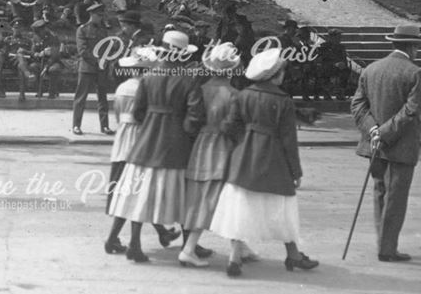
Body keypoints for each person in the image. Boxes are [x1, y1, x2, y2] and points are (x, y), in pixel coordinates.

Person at [210, 47, 318, 277]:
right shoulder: (284, 101)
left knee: (241, 206)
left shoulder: (243, 95)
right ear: (275, 75)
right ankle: (293, 254)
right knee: (281, 207)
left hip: (244, 156)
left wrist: (244, 140)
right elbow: (289, 140)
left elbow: (229, 126)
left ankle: (234, 258)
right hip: (274, 158)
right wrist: (296, 171)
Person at [107, 31, 204, 263]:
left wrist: (152, 122)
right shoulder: (188, 80)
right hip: (175, 144)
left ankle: (135, 243)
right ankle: (189, 245)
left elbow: (138, 112)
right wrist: (186, 133)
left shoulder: (149, 77)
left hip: (145, 143)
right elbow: (195, 116)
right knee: (181, 194)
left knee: (139, 195)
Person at [350, 23, 421, 263]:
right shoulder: (415, 73)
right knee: (396, 196)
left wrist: (373, 130)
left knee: (380, 192)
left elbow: (357, 106)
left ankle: (384, 244)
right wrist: (384, 132)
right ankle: (387, 248)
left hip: (374, 144)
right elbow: (411, 111)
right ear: (413, 47)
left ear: (393, 43)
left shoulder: (371, 69)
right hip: (399, 145)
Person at [180, 43, 256, 267]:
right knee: (226, 199)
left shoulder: (200, 90)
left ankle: (239, 247)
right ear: (232, 69)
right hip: (224, 148)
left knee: (202, 197)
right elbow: (234, 127)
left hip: (202, 146)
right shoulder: (234, 94)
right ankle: (190, 248)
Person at [103, 47, 182, 257]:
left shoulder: (122, 88)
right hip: (140, 139)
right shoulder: (146, 88)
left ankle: (153, 233)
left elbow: (119, 115)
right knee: (139, 192)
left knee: (128, 193)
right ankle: (128, 239)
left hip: (122, 139)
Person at [72, 3, 113, 135]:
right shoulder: (82, 29)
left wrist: (106, 59)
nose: (100, 18)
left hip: (101, 68)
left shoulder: (103, 30)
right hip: (87, 68)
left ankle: (105, 126)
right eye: (98, 15)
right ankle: (76, 125)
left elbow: (106, 47)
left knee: (102, 97)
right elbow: (82, 50)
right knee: (81, 98)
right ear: (92, 15)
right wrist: (98, 61)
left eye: (102, 16)